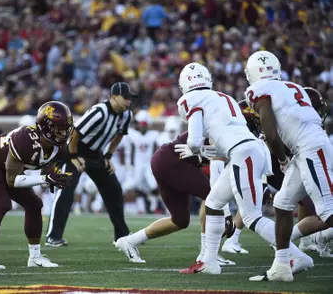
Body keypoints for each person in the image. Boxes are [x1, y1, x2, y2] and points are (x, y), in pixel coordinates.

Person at [175, 62, 311, 278]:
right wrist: (206, 151)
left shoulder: (190, 100)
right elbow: (225, 139)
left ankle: (294, 255)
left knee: (251, 216)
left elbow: (193, 140)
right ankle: (208, 261)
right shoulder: (224, 97)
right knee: (213, 203)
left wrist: (196, 149)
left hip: (242, 153)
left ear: (184, 85)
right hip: (248, 150)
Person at [244, 51, 332, 281]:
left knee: (329, 212)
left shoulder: (257, 91)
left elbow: (272, 134)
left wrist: (282, 160)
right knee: (282, 204)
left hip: (310, 149)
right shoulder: (294, 86)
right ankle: (281, 267)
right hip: (308, 148)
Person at [0, 101, 74, 269]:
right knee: (1, 204)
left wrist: (54, 177)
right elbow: (12, 181)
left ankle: (35, 257)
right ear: (46, 127)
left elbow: (45, 174)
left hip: (7, 169)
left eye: (66, 129)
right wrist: (46, 179)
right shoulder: (25, 140)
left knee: (35, 204)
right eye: (59, 129)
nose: (64, 134)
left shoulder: (58, 148)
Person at [115, 131, 235, 266]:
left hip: (165, 161)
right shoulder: (219, 124)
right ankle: (207, 254)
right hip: (173, 160)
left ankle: (130, 241)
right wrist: (227, 213)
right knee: (211, 197)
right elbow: (215, 153)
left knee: (180, 220)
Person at [46, 82, 137, 255]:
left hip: (97, 154)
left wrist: (109, 156)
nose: (128, 102)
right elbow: (74, 133)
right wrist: (73, 157)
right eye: (125, 98)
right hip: (75, 149)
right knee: (66, 189)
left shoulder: (126, 115)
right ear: (113, 97)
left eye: (130, 99)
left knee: (114, 190)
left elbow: (119, 136)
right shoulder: (99, 112)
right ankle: (53, 236)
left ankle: (122, 236)